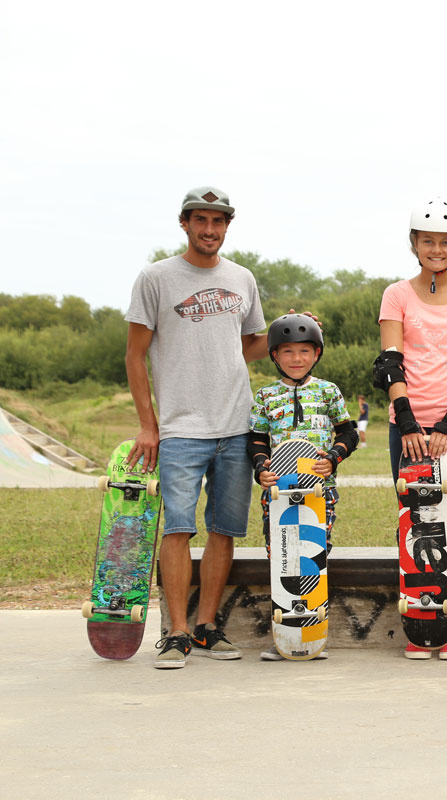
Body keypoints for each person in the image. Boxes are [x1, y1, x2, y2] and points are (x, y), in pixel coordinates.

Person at [125, 186, 266, 669]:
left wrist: (295, 324)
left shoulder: (243, 279)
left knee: (223, 530)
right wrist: (150, 425)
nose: (210, 230)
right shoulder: (156, 278)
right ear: (184, 223)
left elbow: (245, 345)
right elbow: (135, 354)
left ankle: (206, 627)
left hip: (236, 423)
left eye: (219, 221)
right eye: (201, 220)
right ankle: (176, 632)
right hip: (181, 427)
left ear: (228, 226)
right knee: (179, 528)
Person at [375, 198, 447, 660]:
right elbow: (389, 363)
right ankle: (421, 622)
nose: (436, 249)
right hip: (405, 428)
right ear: (414, 244)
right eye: (428, 241)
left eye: (446, 242)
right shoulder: (396, 295)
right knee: (416, 524)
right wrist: (407, 423)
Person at [247, 313, 358, 660]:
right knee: (281, 556)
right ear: (274, 356)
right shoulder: (265, 396)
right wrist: (260, 468)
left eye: (305, 351)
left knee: (313, 554)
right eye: (288, 352)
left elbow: (348, 432)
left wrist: (335, 456)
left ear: (317, 353)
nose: (297, 359)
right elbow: (255, 440)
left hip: (319, 491)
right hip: (278, 492)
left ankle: (312, 631)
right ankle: (286, 633)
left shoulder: (328, 391)